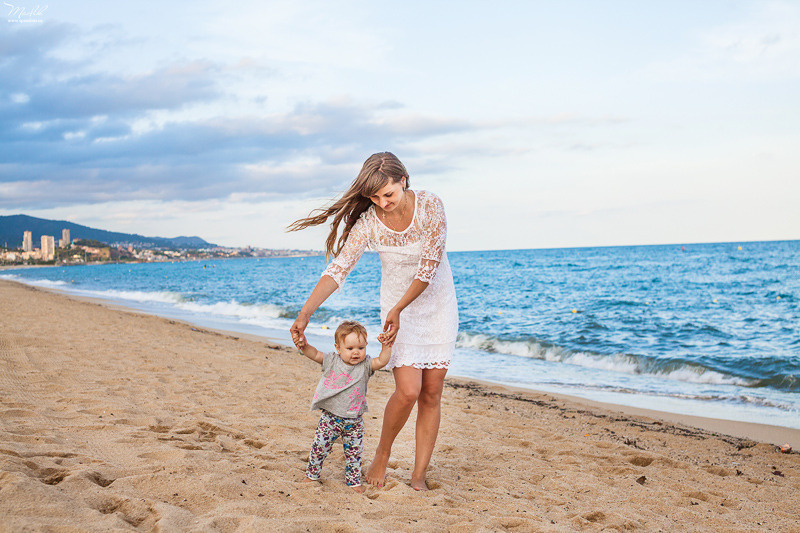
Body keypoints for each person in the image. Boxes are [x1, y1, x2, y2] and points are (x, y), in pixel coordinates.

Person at [289, 152, 458, 491]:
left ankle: (418, 475)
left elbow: (429, 268)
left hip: (436, 305)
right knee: (408, 391)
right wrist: (306, 312)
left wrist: (400, 308)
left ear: (403, 180)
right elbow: (339, 269)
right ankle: (382, 453)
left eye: (388, 194)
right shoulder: (369, 222)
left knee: (431, 392)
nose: (382, 203)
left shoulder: (430, 206)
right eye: (375, 197)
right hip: (396, 311)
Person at [297, 320, 392, 492]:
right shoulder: (332, 361)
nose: (356, 352)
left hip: (354, 421)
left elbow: (382, 361)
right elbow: (314, 354)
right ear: (338, 348)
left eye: (361, 348)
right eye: (350, 348)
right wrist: (304, 345)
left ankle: (353, 481)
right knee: (319, 447)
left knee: (354, 453)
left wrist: (385, 346)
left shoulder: (366, 365)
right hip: (330, 418)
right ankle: (312, 475)